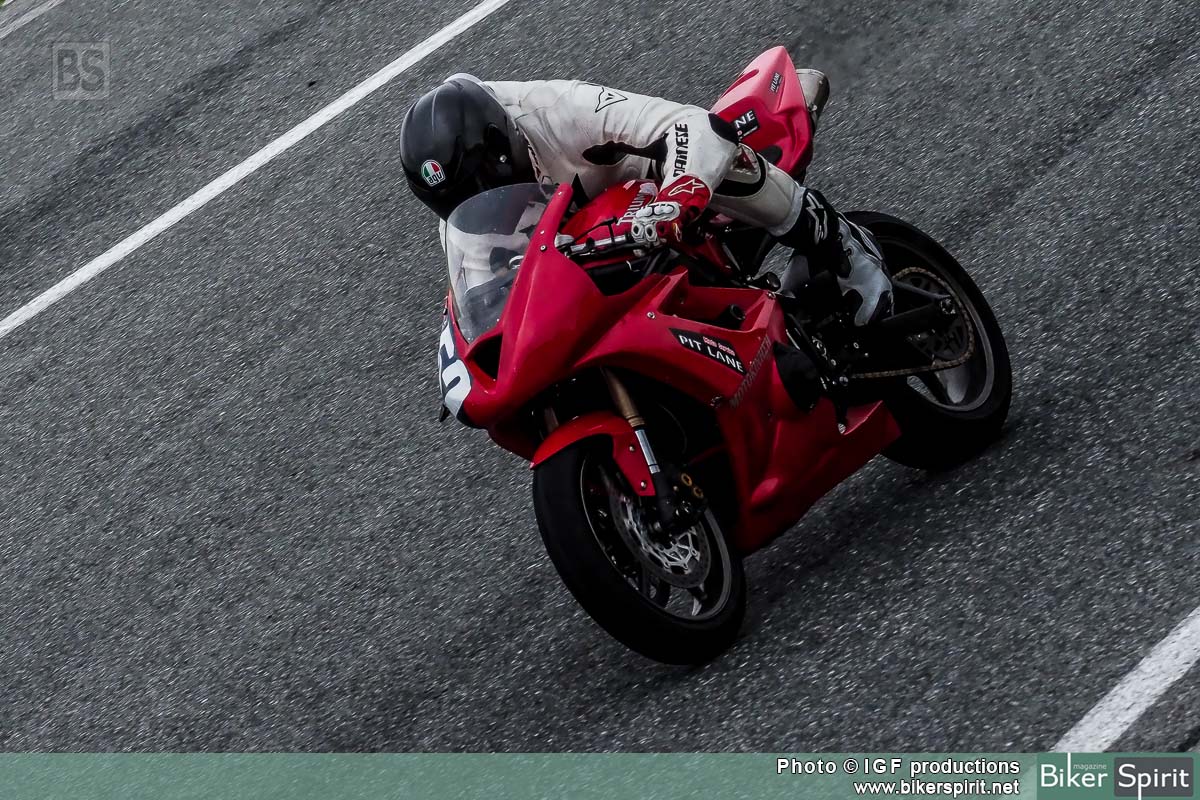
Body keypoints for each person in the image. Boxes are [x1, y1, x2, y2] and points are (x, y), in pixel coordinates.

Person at [399, 74, 892, 326]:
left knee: (725, 158)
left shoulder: (554, 110)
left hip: (656, 193)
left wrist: (679, 196)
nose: (484, 204)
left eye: (485, 186)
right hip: (586, 245)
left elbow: (693, 126)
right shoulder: (462, 220)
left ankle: (845, 249)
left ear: (502, 147)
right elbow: (488, 304)